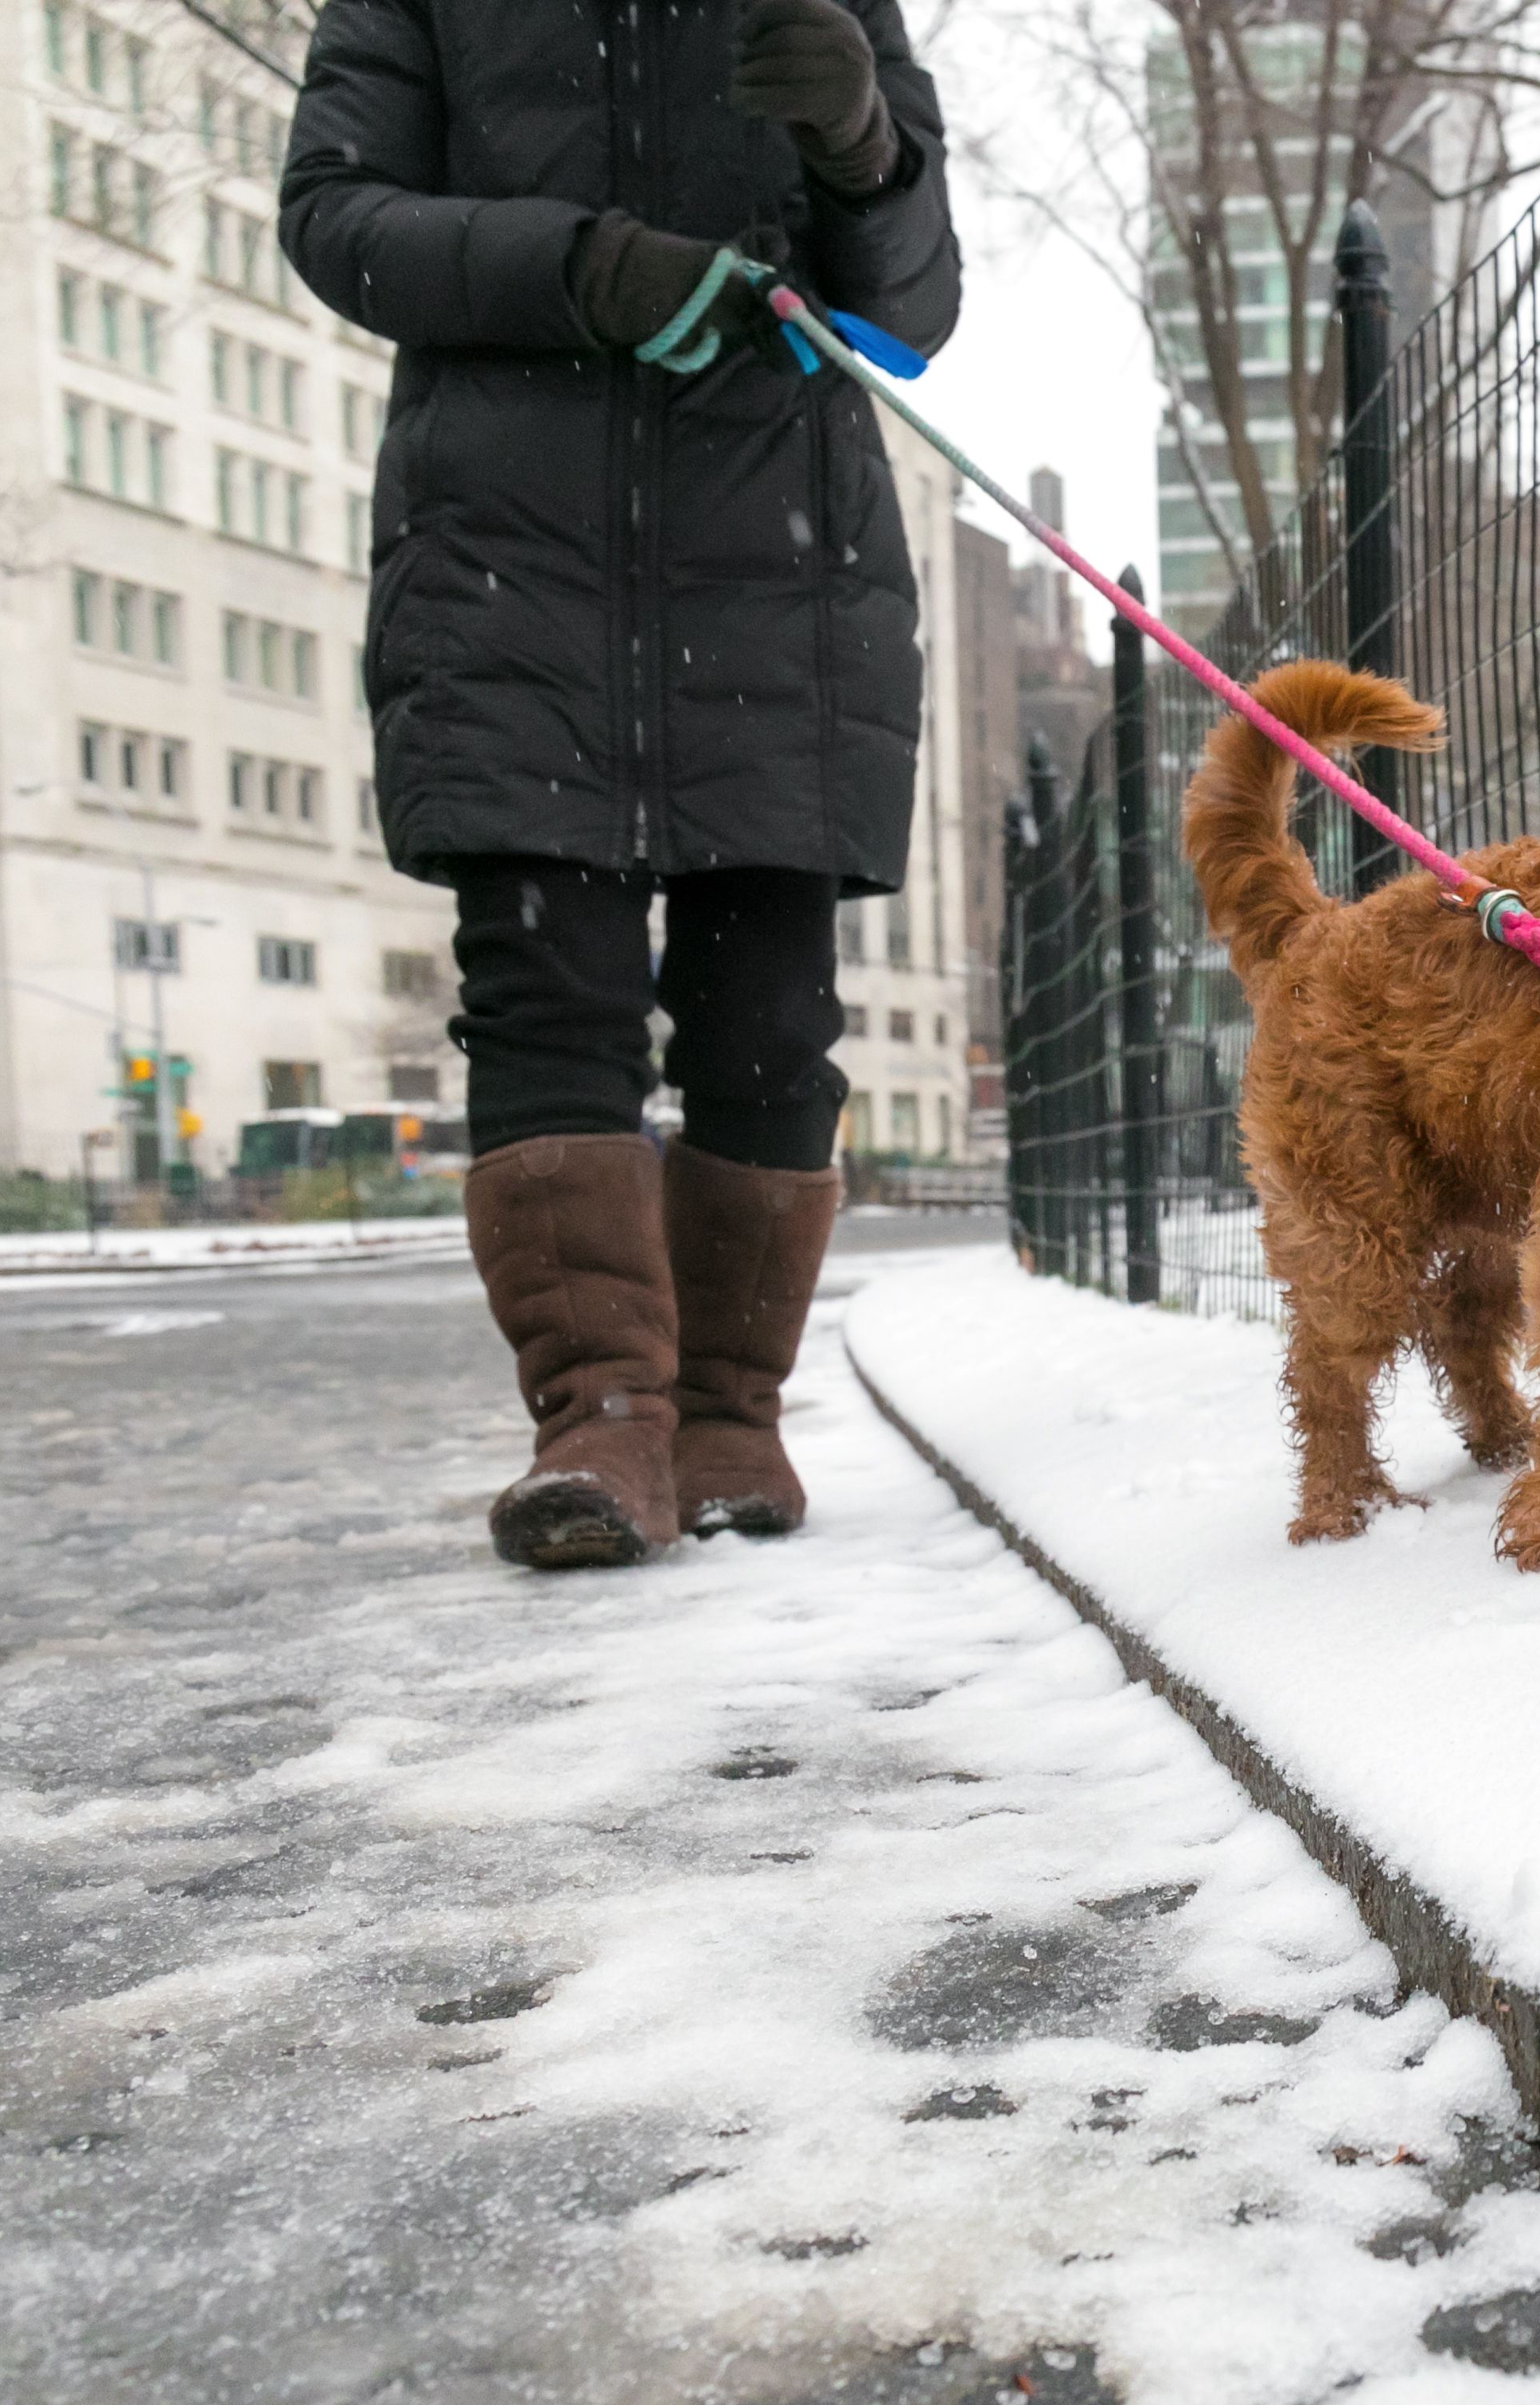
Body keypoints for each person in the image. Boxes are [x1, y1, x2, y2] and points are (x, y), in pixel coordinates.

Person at [280, 0, 958, 1568]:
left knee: (771, 1024)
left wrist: (866, 151)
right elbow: (334, 216)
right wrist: (579, 268)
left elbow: (913, 311)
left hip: (777, 575)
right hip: (511, 566)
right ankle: (600, 1421)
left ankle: (731, 1414)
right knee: (545, 992)